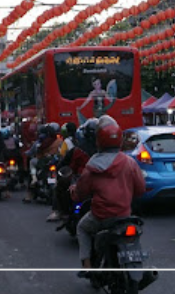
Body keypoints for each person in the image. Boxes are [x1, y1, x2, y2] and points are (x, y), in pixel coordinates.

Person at [70, 116, 145, 276]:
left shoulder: (92, 165)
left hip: (101, 216)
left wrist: (74, 192)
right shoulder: (129, 162)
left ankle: (87, 265)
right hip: (125, 215)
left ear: (98, 141)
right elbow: (140, 189)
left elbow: (81, 193)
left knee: (82, 228)